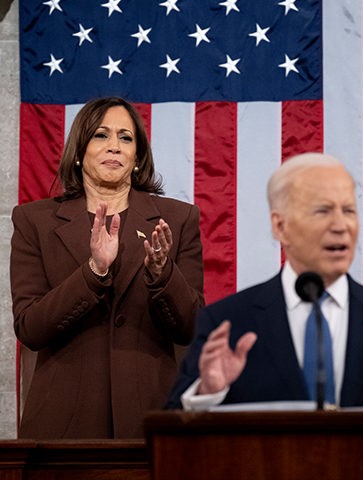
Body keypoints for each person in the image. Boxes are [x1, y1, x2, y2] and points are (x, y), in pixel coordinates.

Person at [166, 153, 363, 410]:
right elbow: (172, 434)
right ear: (281, 226)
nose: (341, 226)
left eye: (348, 210)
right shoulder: (227, 323)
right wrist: (207, 392)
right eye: (323, 211)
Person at [11, 97, 205, 438]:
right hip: (63, 427)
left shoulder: (178, 218)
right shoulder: (34, 221)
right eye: (101, 135)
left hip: (152, 422)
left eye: (126, 137)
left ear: (137, 157)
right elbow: (30, 328)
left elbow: (190, 328)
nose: (114, 146)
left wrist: (162, 275)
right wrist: (93, 271)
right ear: (78, 151)